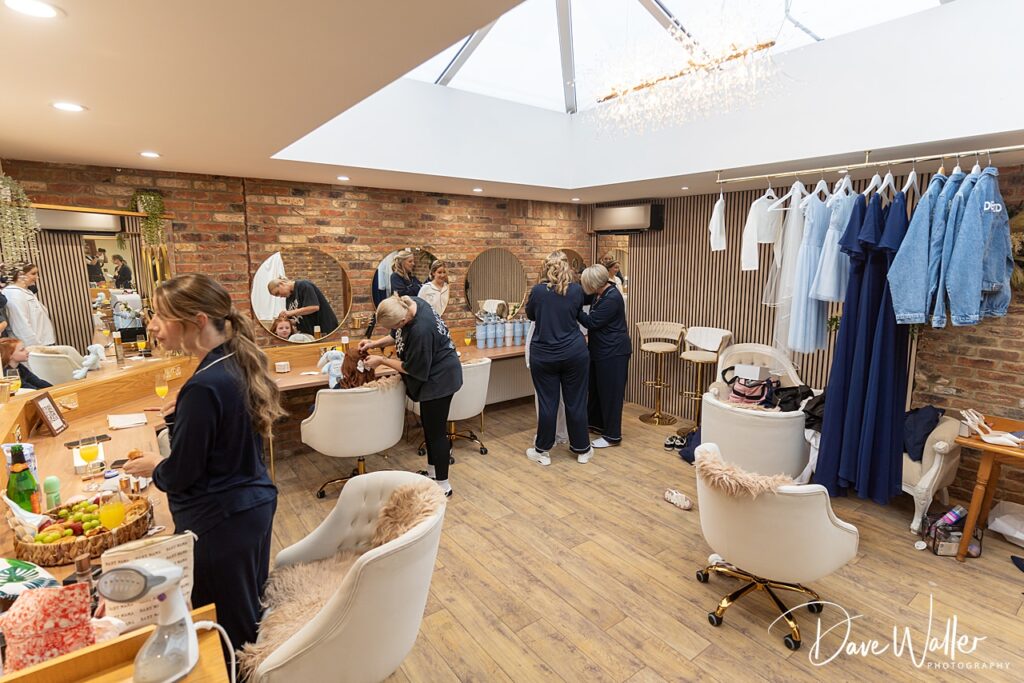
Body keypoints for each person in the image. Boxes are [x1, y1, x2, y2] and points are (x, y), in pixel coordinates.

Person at [124, 273, 284, 651]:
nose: (151, 326)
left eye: (161, 316)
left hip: (221, 520)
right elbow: (225, 436)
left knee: (228, 627)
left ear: (196, 321)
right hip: (251, 504)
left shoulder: (204, 385)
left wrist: (153, 466)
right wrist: (183, 416)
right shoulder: (233, 363)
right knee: (248, 610)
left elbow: (182, 473)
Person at [360, 294, 462, 497]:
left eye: (397, 326)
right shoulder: (409, 302)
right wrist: (373, 343)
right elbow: (397, 335)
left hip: (440, 379)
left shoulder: (421, 330)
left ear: (403, 321)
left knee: (437, 432)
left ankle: (444, 486)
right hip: (435, 373)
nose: (396, 330)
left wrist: (382, 360)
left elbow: (412, 369)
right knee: (430, 428)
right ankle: (433, 474)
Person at [526, 253, 593, 466]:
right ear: (567, 267)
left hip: (545, 356)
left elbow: (531, 316)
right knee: (576, 402)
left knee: (548, 404)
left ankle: (543, 451)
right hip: (574, 353)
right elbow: (575, 313)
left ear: (546, 268)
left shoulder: (538, 292)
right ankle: (582, 449)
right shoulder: (576, 290)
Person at [578, 264, 632, 448]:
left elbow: (592, 322)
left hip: (614, 353)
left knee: (611, 394)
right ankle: (598, 425)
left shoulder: (612, 298)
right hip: (601, 351)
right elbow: (581, 297)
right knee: (597, 390)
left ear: (593, 283)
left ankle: (612, 436)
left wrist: (575, 311)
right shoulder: (600, 293)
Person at [266, 277, 338, 337]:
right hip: (309, 335)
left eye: (278, 293)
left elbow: (314, 307)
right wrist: (283, 321)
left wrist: (290, 313)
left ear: (281, 284)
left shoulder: (303, 286)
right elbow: (297, 320)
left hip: (325, 330)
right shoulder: (288, 299)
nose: (280, 296)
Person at [4, 265, 55, 347]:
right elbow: (20, 325)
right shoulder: (14, 294)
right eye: (33, 273)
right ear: (20, 275)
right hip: (33, 346)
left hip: (44, 342)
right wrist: (35, 346)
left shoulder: (26, 291)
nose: (37, 277)